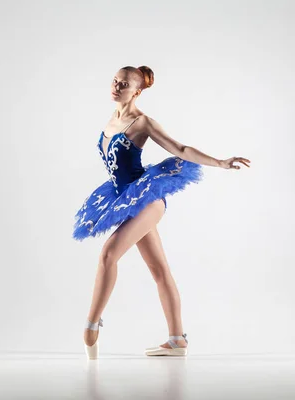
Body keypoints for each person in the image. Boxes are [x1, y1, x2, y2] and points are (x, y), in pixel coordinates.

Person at [74, 65, 250, 359]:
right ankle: (177, 340)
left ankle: (91, 325)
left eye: (124, 84)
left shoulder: (143, 123)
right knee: (159, 270)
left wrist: (220, 162)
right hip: (123, 199)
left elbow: (180, 148)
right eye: (115, 81)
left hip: (146, 200)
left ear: (137, 91)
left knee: (108, 254)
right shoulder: (110, 119)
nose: (117, 87)